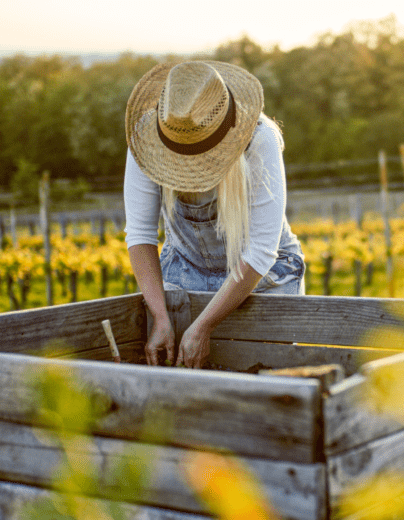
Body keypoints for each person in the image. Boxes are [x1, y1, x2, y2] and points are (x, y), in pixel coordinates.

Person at [123, 61, 305, 368]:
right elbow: (140, 234)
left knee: (270, 389)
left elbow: (261, 250)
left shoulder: (260, 139)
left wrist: (203, 326)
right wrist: (161, 316)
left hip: (263, 277)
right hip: (185, 270)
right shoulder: (146, 141)